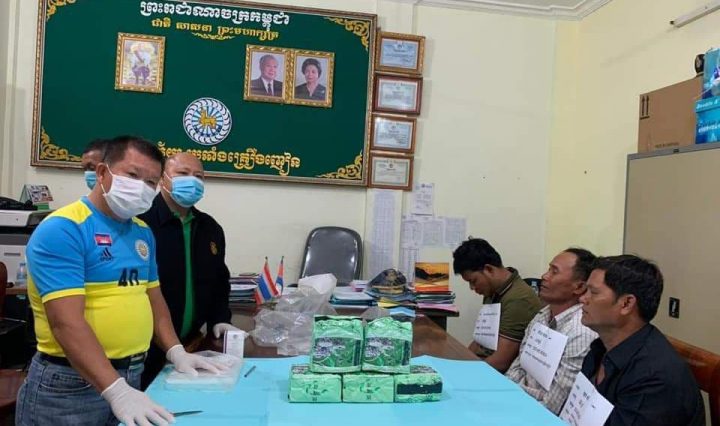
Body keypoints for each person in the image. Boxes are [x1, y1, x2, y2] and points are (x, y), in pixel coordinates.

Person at [16, 136, 227, 426]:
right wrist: (115, 390)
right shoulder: (64, 228)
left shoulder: (141, 232)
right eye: (132, 175)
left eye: (150, 182)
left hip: (132, 374)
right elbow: (66, 323)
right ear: (103, 173)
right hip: (70, 385)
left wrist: (176, 351)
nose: (141, 187)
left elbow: (154, 300)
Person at [139, 152, 238, 389]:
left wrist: (220, 319)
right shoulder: (140, 223)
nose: (192, 180)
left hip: (192, 347)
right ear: (162, 178)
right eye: (182, 173)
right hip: (144, 349)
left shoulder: (210, 227)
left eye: (198, 176)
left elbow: (219, 280)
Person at [579, 255, 705, 425]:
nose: (582, 298)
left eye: (593, 292)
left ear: (626, 304)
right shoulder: (601, 348)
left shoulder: (654, 377)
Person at [505, 248, 598, 414]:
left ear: (579, 287)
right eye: (548, 269)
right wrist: (504, 394)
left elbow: (553, 405)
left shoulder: (581, 332)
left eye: (554, 272)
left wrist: (514, 398)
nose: (544, 276)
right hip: (515, 401)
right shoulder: (543, 315)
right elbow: (518, 366)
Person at [452, 238, 542, 373]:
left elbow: (502, 361)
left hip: (497, 373)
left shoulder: (519, 300)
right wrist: (458, 363)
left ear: (488, 269)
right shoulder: (492, 290)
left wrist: (464, 372)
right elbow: (480, 340)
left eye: (473, 281)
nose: (472, 288)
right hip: (483, 365)